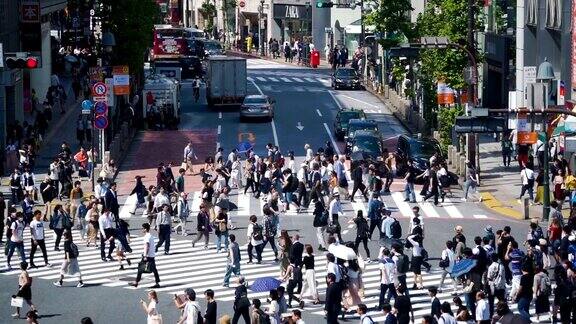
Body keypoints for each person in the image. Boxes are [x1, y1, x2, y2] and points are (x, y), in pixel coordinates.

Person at [129, 223, 160, 288]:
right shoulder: (150, 236)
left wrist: (145, 255)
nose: (142, 229)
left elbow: (147, 246)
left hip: (148, 256)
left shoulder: (147, 237)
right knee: (154, 269)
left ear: (145, 229)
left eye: (142, 228)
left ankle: (136, 282)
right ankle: (157, 283)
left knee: (140, 268)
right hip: (151, 255)